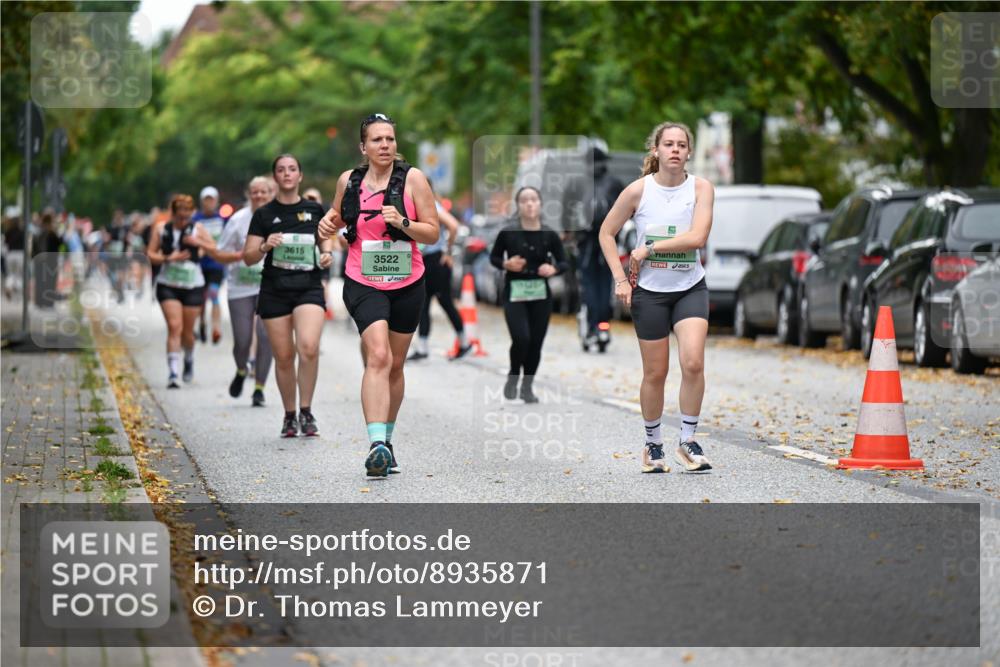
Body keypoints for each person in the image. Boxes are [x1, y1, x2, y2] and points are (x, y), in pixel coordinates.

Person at [318, 113, 439, 477]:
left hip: (407, 280)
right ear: (363, 147)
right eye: (377, 140)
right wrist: (327, 225)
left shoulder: (413, 179)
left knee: (396, 365)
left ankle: (388, 438)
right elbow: (337, 217)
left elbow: (432, 233)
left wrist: (402, 222)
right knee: (379, 356)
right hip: (363, 279)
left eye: (389, 139)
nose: (385, 145)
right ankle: (376, 445)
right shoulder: (349, 181)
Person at [598, 122, 714, 474]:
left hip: (690, 287)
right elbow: (606, 232)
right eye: (669, 144)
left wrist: (648, 249)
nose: (675, 150)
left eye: (681, 145)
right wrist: (620, 279)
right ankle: (653, 445)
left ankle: (689, 440)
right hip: (650, 293)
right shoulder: (638, 191)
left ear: (689, 152)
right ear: (657, 151)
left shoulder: (701, 188)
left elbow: (698, 238)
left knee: (693, 362)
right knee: (656, 372)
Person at [244, 154, 334, 437]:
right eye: (281, 170)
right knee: (283, 357)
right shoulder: (264, 215)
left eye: (292, 169)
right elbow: (247, 256)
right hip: (274, 290)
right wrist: (264, 246)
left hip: (308, 286)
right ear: (275, 177)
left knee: (308, 347)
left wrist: (327, 252)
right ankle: (289, 414)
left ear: (300, 176)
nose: (286, 174)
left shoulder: (314, 208)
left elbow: (325, 237)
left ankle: (306, 411)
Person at [489, 186, 569, 403]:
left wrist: (553, 270)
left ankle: (527, 386)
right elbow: (494, 258)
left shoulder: (549, 234)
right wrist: (506, 264)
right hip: (515, 291)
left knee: (535, 342)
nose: (530, 204)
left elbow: (563, 262)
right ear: (518, 205)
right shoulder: (508, 232)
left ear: (541, 204)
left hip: (540, 293)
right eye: (525, 200)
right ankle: (514, 375)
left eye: (534, 199)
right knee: (521, 337)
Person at [204, 176, 276, 407]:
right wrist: (242, 255)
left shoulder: (279, 217)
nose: (259, 196)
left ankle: (259, 388)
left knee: (265, 338)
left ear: (271, 193)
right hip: (240, 287)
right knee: (243, 340)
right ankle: (241, 369)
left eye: (263, 192)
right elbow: (219, 254)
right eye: (255, 192)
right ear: (249, 194)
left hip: (270, 287)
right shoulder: (237, 220)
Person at [147, 194, 215, 388]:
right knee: (174, 327)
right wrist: (169, 258)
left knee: (187, 332)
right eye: (179, 215)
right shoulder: (161, 230)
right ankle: (173, 373)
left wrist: (199, 244)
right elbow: (149, 254)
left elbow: (215, 248)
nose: (183, 219)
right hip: (168, 284)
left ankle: (189, 358)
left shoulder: (198, 229)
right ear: (173, 213)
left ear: (192, 213)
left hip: (193, 285)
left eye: (187, 215)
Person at [568, 145, 624, 349]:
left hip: (585, 243)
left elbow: (567, 212)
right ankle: (603, 326)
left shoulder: (578, 183)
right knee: (606, 285)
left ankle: (592, 327)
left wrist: (569, 235)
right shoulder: (615, 183)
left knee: (588, 286)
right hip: (609, 243)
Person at [409, 185, 470, 361]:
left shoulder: (432, 205)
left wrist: (448, 252)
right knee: (424, 303)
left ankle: (464, 342)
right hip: (425, 260)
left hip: (436, 261)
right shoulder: (417, 204)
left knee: (445, 302)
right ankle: (422, 347)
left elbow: (453, 225)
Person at [193, 186, 227, 344]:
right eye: (206, 200)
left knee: (213, 294)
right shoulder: (195, 219)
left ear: (216, 201)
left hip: (216, 264)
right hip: (199, 265)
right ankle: (201, 323)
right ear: (202, 201)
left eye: (211, 199)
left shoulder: (223, 219)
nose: (209, 203)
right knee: (201, 298)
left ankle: (216, 328)